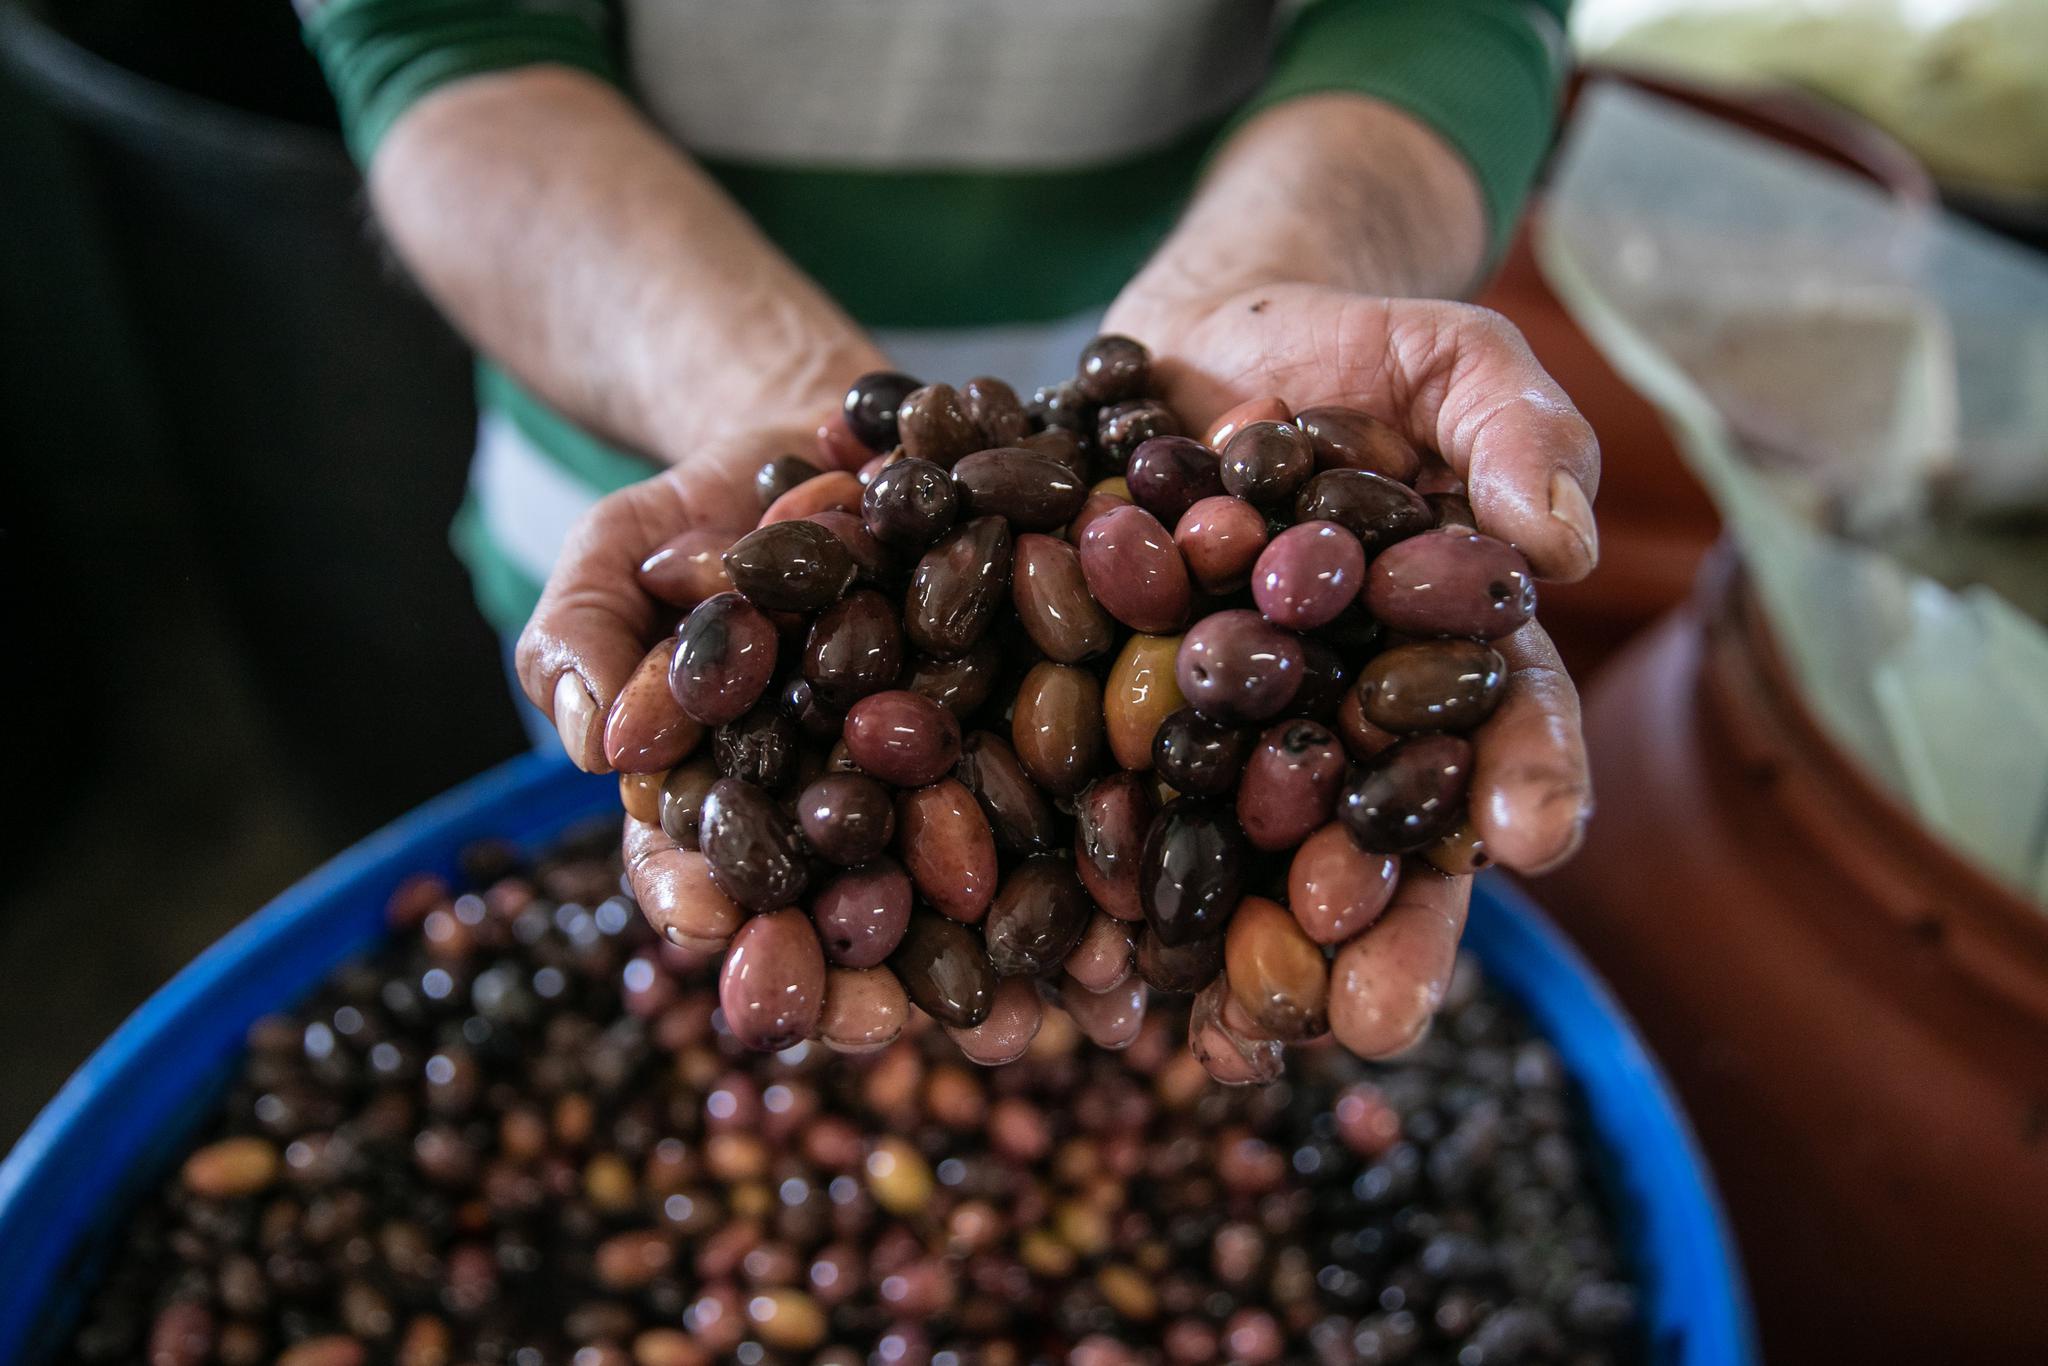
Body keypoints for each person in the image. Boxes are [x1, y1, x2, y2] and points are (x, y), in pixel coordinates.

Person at [301, 0, 1598, 1077]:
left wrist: (1295, 259)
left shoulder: (1180, 623)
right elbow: (430, 32)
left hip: (1176, 377)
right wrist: (761, 382)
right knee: (694, 884)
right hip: (647, 444)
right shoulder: (820, 643)